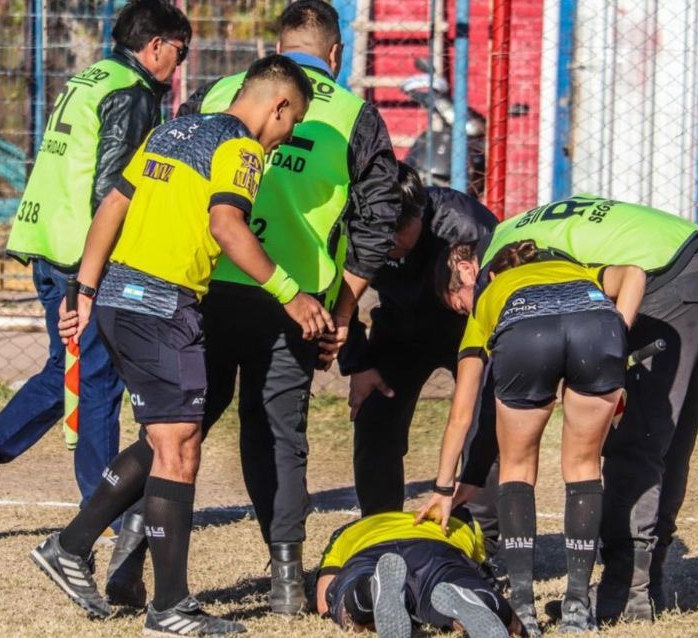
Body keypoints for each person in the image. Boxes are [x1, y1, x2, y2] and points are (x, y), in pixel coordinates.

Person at [31, 54, 322, 637]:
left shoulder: (173, 130)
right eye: (292, 124)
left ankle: (71, 546)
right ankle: (169, 607)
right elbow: (227, 226)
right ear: (280, 106)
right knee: (179, 451)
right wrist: (290, 294)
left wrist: (85, 288)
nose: (286, 136)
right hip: (161, 303)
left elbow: (114, 204)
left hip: (120, 296)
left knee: (168, 440)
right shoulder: (241, 149)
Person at [168, 0, 400, 615]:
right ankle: (288, 579)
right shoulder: (355, 114)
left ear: (275, 50)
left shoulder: (221, 92)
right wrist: (343, 311)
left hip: (207, 286)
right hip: (295, 302)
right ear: (335, 54)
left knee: (177, 425)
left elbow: (175, 178)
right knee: (277, 432)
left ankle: (132, 549)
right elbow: (378, 220)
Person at [0, 0, 192, 534]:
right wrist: (96, 277)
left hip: (49, 243)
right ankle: (102, 508)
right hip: (82, 256)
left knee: (69, 369)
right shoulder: (131, 92)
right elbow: (111, 192)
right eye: (180, 52)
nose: (179, 65)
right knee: (97, 379)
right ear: (156, 46)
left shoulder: (91, 78)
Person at [453, 196, 698, 623]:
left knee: (634, 437)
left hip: (664, 276)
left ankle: (627, 592)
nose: (465, 312)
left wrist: (469, 490)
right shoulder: (514, 233)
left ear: (469, 271)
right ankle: (645, 585)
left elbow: (492, 406)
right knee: (665, 435)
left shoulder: (496, 277)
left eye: (458, 303)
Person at [417, 236, 646, 635]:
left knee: (517, 468)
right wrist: (617, 337)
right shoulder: (576, 269)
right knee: (584, 466)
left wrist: (442, 487)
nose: (465, 311)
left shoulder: (489, 297)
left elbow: (461, 414)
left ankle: (523, 610)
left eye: (459, 305)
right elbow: (635, 273)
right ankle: (577, 611)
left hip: (525, 332)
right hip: (597, 324)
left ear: (489, 275)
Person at [338, 162, 498, 517]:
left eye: (399, 229)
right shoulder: (352, 228)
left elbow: (499, 294)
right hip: (400, 329)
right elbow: (336, 292)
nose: (389, 240)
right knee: (374, 411)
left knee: (485, 422)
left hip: (467, 330)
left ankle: (481, 532)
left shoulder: (467, 227)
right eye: (380, 230)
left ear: (420, 212)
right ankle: (379, 526)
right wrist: (357, 363)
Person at [315, 511, 518, 638]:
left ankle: (368, 592)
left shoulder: (345, 533)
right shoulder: (457, 521)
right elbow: (482, 567)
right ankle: (478, 599)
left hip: (369, 551)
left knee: (349, 602)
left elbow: (324, 600)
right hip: (436, 547)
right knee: (459, 583)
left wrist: (337, 610)